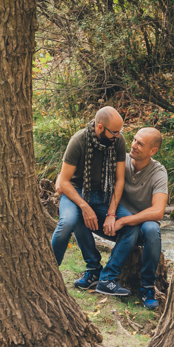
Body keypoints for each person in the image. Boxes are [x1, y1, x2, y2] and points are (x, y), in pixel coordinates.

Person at [51, 107, 137, 299]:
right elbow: (64, 181)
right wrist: (84, 206)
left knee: (133, 225)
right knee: (68, 222)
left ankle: (106, 278)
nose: (118, 136)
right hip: (75, 191)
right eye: (114, 132)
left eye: (120, 132)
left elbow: (119, 180)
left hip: (104, 194)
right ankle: (47, 275)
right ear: (100, 127)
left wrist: (112, 213)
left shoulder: (118, 141)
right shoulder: (79, 140)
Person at [110, 127, 168, 310]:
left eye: (140, 144)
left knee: (152, 229)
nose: (133, 145)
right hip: (115, 222)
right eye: (134, 140)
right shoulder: (122, 160)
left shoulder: (158, 172)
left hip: (139, 228)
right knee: (81, 213)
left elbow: (158, 211)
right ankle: (95, 271)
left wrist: (126, 220)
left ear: (153, 151)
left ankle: (147, 287)